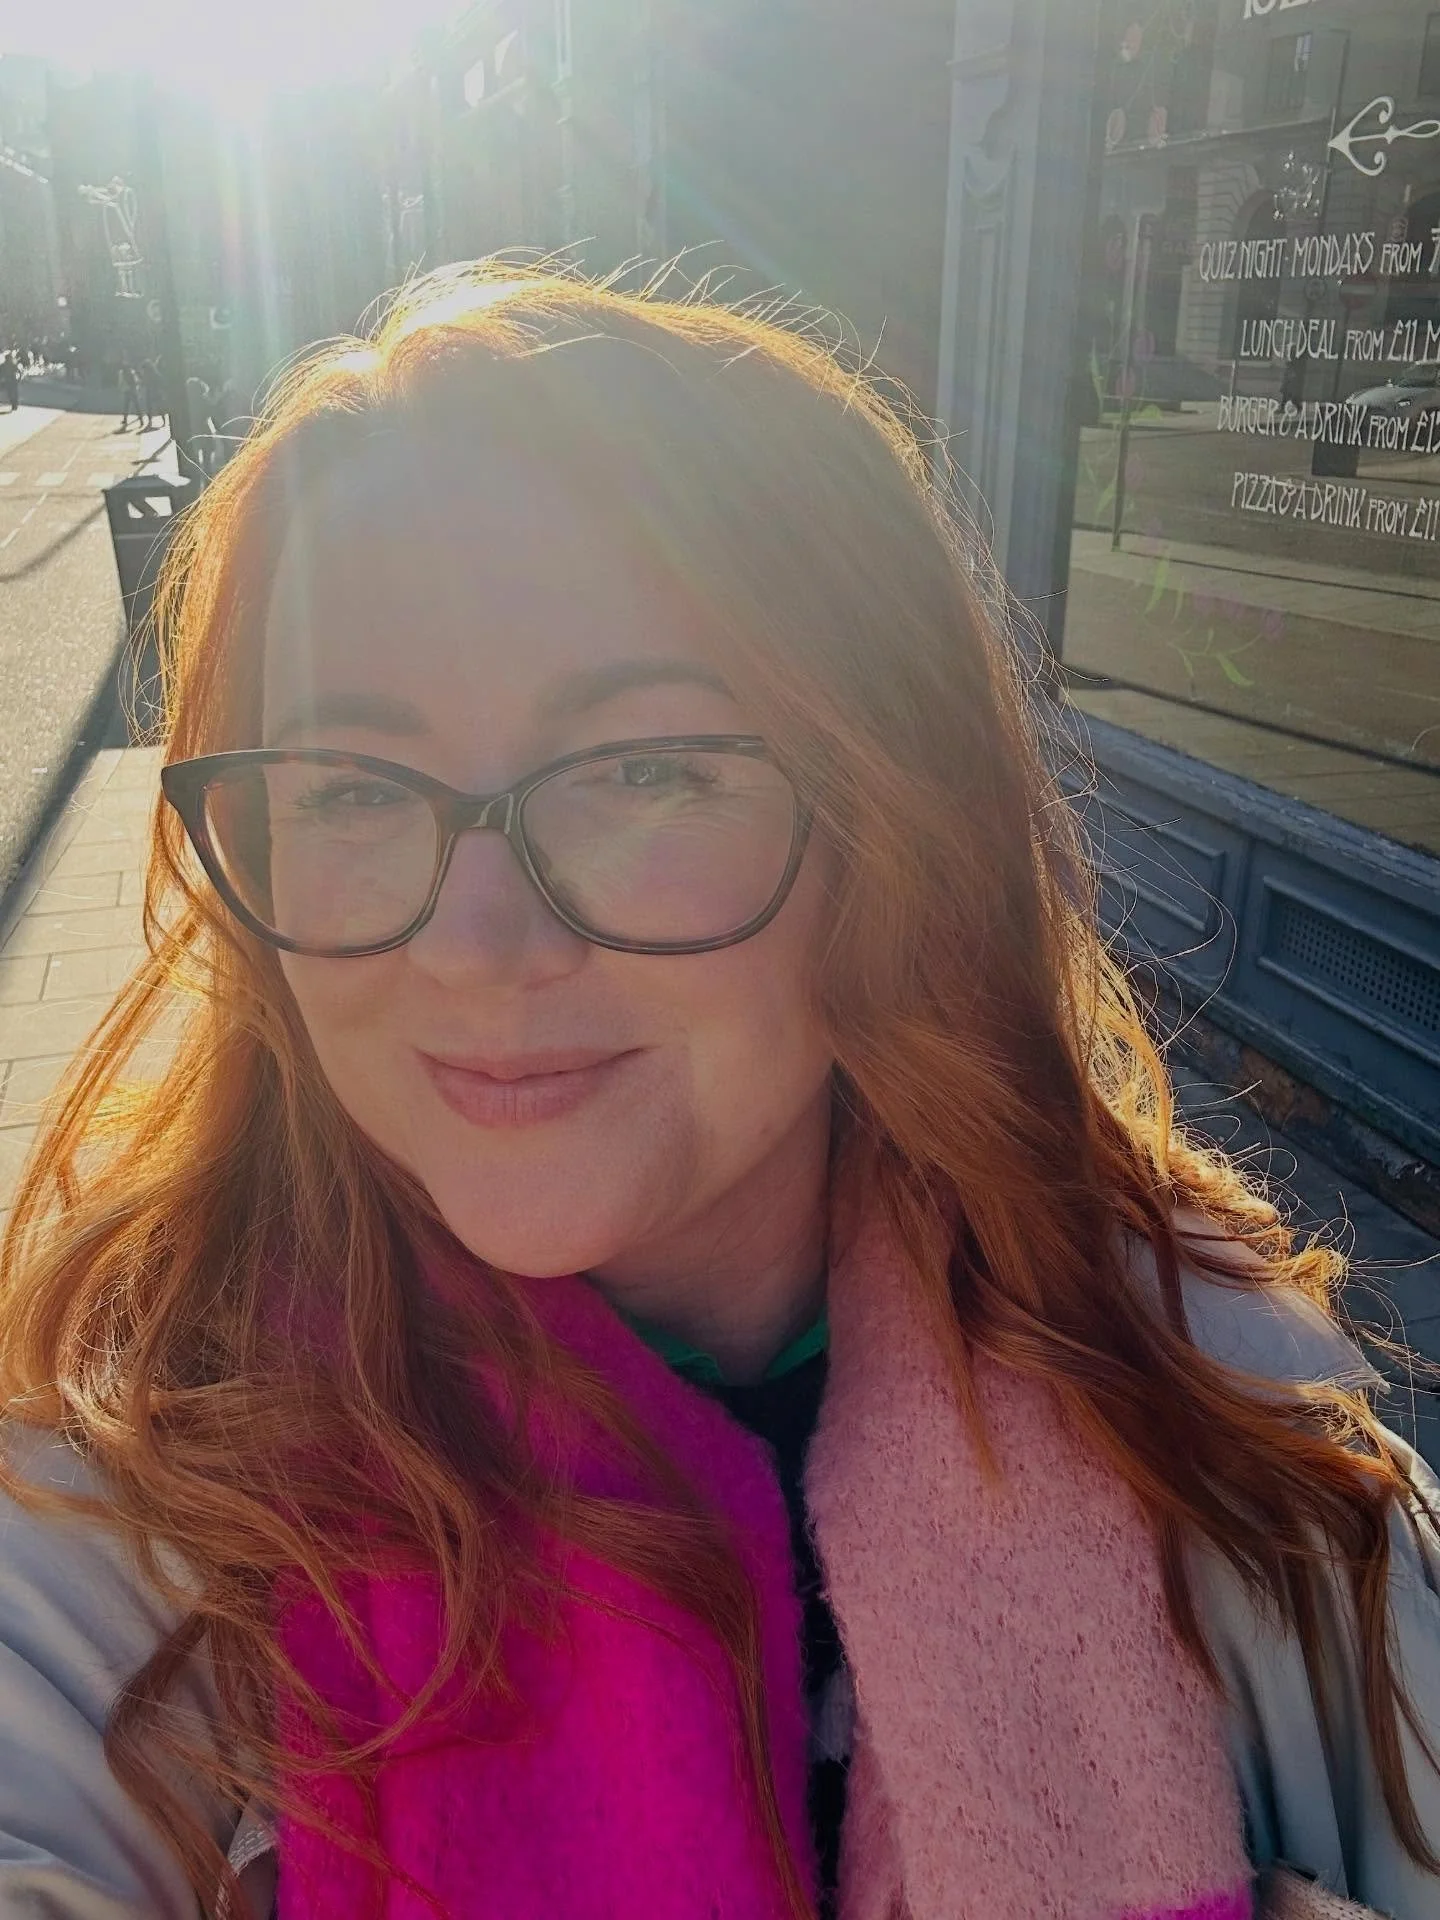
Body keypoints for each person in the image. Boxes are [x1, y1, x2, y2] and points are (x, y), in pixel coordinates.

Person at [0, 261, 1437, 1920]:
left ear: (897, 834)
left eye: (639, 770)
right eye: (348, 790)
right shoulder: (110, 1554)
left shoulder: (1238, 1453)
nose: (477, 942)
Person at [118, 362, 141, 430]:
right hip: (133, 390)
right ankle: (141, 419)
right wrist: (137, 389)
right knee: (137, 405)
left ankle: (125, 420)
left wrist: (120, 388)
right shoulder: (132, 371)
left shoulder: (121, 373)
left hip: (126, 390)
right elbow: (136, 381)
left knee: (126, 406)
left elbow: (120, 382)